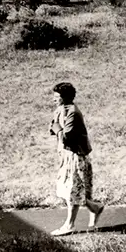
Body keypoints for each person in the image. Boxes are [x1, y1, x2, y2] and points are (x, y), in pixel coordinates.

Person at [48, 82, 105, 236]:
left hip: (75, 156)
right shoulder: (61, 109)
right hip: (66, 156)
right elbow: (54, 127)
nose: (53, 99)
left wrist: (56, 128)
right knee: (71, 189)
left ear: (65, 97)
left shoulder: (73, 112)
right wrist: (55, 127)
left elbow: (66, 136)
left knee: (72, 190)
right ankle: (95, 208)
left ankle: (70, 225)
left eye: (56, 97)